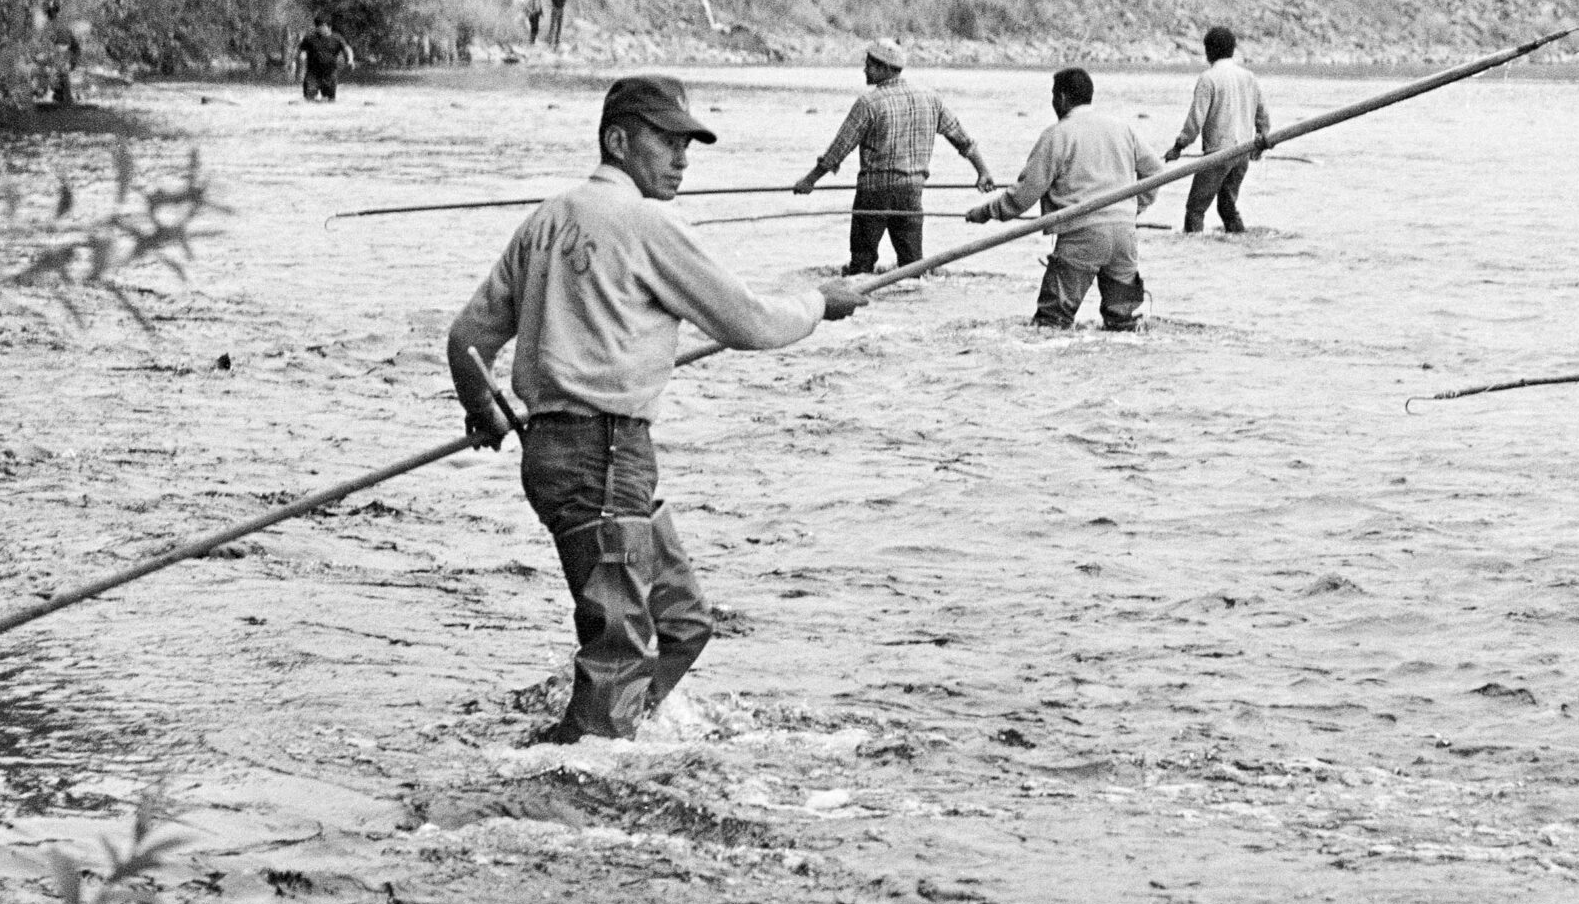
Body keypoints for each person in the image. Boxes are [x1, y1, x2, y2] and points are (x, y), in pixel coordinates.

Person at [447, 76, 870, 742]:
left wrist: (485, 413)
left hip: (571, 457)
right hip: (604, 457)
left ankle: (600, 729)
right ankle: (579, 762)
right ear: (617, 140)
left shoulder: (543, 221)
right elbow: (752, 323)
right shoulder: (649, 224)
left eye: (687, 144)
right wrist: (821, 302)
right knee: (621, 651)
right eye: (666, 142)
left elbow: (466, 341)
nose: (681, 158)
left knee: (681, 624)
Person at [966, 68, 1163, 330]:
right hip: (1124, 237)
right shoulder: (1122, 128)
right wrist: (1133, 209)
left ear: (1061, 98)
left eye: (1052, 97)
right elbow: (1155, 172)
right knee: (1123, 324)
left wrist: (987, 212)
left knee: (1050, 324)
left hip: (1081, 236)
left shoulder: (1057, 135)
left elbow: (1024, 195)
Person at [792, 41, 998, 275]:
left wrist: (810, 180)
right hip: (911, 192)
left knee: (861, 265)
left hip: (873, 194)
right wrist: (983, 171)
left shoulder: (869, 103)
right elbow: (961, 138)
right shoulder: (930, 98)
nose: (864, 71)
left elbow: (839, 149)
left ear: (885, 68)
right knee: (912, 267)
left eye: (869, 66)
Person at [1166, 26, 1271, 235]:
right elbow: (1263, 116)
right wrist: (1260, 143)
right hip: (1242, 152)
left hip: (1217, 155)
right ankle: (1240, 239)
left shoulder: (1209, 78)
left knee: (1195, 209)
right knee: (1227, 207)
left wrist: (1178, 146)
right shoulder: (1248, 77)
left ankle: (1193, 249)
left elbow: (1195, 121)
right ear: (1233, 50)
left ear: (1209, 51)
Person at [297, 15, 353, 102]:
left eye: (321, 26)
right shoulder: (309, 38)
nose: (318, 29)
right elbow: (300, 51)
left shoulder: (337, 38)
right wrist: (301, 58)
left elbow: (347, 50)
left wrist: (350, 60)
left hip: (330, 74)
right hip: (312, 74)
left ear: (328, 27)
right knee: (308, 100)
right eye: (317, 26)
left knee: (329, 101)